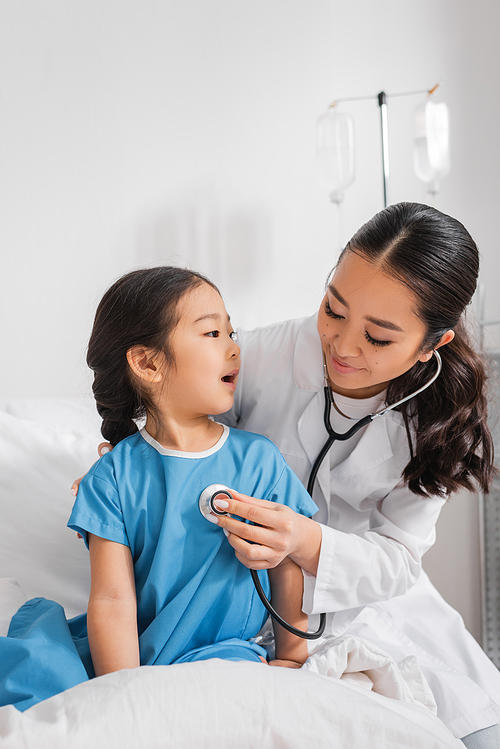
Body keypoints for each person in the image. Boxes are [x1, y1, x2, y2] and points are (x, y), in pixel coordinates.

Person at [73, 203, 500, 747]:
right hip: (243, 601)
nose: (343, 346)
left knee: (479, 729)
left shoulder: (436, 419)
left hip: (372, 597)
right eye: (333, 309)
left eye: (379, 337)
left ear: (430, 345)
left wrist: (303, 539)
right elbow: (177, 427)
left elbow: (398, 559)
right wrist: (118, 462)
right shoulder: (260, 356)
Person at [67, 266, 318, 676]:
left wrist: (291, 655)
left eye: (231, 334)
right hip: (133, 659)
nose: (235, 349)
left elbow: (286, 564)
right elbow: (112, 602)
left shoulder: (259, 460)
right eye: (212, 333)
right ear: (148, 363)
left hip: (229, 654)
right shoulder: (112, 477)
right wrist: (121, 692)